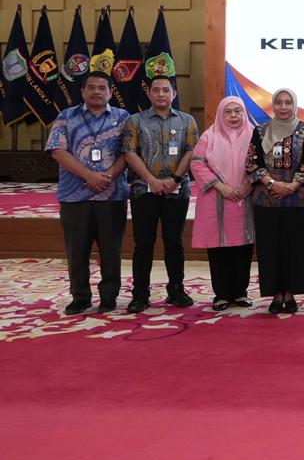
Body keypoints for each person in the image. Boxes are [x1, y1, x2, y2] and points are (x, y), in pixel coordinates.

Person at [45, 71, 130, 314]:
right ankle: (80, 296)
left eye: (102, 88)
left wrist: (108, 176)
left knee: (111, 250)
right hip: (75, 196)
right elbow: (57, 151)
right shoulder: (66, 116)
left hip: (112, 195)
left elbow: (129, 152)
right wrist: (89, 176)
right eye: (91, 87)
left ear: (110, 92)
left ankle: (109, 296)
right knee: (77, 250)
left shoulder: (123, 118)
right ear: (82, 91)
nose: (96, 92)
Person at [121, 76, 199, 313]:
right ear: (150, 94)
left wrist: (175, 179)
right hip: (143, 190)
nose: (161, 94)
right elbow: (129, 152)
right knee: (143, 243)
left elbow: (192, 151)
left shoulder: (187, 121)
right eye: (156, 90)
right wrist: (151, 180)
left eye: (166, 90)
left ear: (174, 94)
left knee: (174, 242)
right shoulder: (135, 121)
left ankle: (176, 290)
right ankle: (140, 294)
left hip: (177, 191)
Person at [245, 88, 304, 315]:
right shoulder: (260, 130)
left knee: (295, 247)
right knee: (270, 247)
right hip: (267, 200)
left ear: (294, 105)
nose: (283, 107)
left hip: (297, 199)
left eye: (288, 102)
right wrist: (271, 184)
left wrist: (293, 185)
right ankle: (276, 293)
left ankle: (291, 293)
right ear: (273, 105)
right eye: (279, 102)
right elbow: (252, 162)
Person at [190, 96, 256, 310]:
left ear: (244, 113)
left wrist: (247, 186)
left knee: (243, 248)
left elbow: (262, 163)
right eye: (228, 112)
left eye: (238, 111)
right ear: (220, 114)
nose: (233, 116)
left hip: (246, 198)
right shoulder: (209, 136)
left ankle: (240, 293)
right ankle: (221, 294)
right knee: (218, 248)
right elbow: (197, 164)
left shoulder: (254, 135)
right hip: (215, 198)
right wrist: (221, 187)